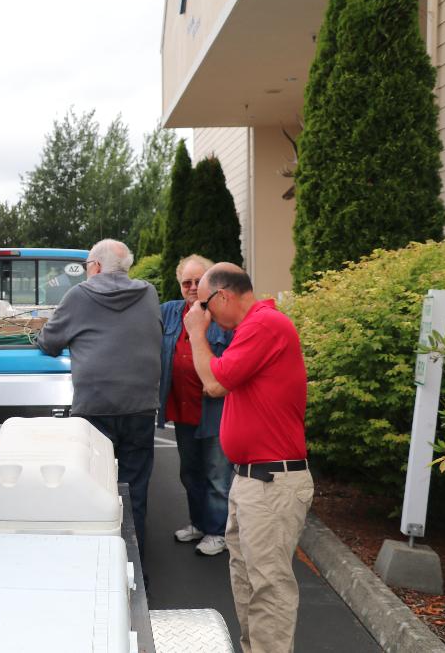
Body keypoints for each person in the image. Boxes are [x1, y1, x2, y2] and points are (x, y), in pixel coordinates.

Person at [183, 263, 312, 653]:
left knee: (268, 587)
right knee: (246, 580)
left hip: (270, 482)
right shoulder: (252, 329)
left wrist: (194, 333)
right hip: (253, 480)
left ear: (223, 296)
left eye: (204, 305)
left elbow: (214, 382)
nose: (201, 313)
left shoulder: (264, 325)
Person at [35, 239, 161, 558]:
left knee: (95, 488)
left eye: (87, 267)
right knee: (135, 492)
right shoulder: (148, 293)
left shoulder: (79, 295)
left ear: (96, 266)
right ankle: (135, 566)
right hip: (141, 407)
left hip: (95, 407)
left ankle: (97, 562)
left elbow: (49, 342)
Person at [158, 254, 233, 556]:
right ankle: (199, 524)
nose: (191, 287)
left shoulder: (224, 319)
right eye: (186, 282)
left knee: (217, 475)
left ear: (210, 283)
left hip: (215, 410)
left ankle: (218, 531)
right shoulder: (169, 313)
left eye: (197, 282)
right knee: (190, 472)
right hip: (182, 408)